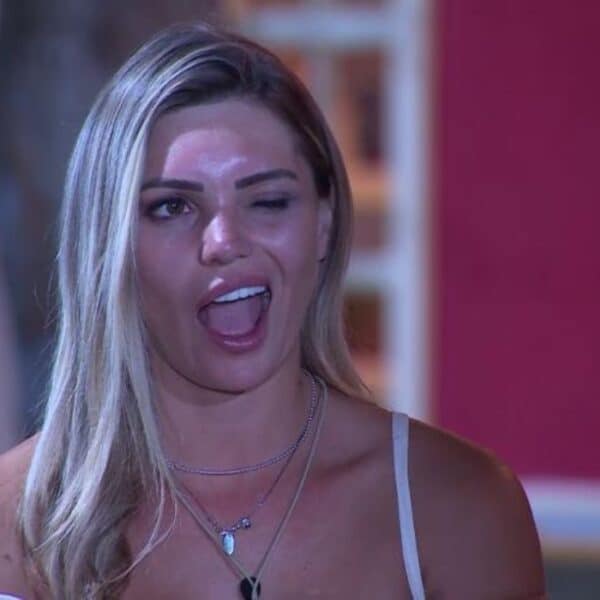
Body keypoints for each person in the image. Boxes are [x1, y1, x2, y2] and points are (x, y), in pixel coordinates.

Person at [0, 23, 546, 600]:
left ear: (323, 225)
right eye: (173, 207)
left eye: (268, 201)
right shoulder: (14, 521)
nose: (224, 241)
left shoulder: (454, 508)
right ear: (109, 247)